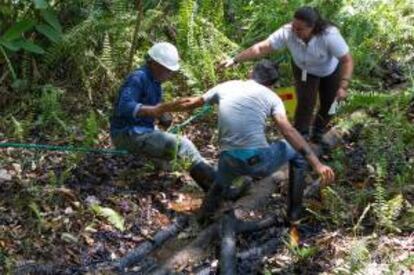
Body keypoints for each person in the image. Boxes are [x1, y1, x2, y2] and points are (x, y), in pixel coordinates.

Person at [150, 60, 335, 224]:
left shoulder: (227, 86)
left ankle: (202, 219)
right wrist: (317, 164)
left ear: (250, 74)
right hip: (257, 162)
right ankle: (294, 214)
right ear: (273, 84)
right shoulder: (272, 97)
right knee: (296, 153)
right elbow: (287, 130)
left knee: (220, 184)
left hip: (228, 160)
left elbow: (191, 102)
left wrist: (162, 108)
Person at [221, 6, 354, 143]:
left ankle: (319, 130)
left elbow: (347, 60)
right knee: (305, 102)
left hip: (330, 70)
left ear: (312, 27)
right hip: (304, 70)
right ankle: (300, 136)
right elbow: (261, 48)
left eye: (300, 29)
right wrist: (235, 59)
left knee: (331, 102)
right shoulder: (287, 31)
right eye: (294, 27)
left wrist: (343, 86)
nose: (295, 31)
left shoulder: (329, 36)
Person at [110, 42, 215, 192]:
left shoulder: (155, 83)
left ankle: (213, 183)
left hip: (143, 131)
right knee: (183, 146)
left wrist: (163, 115)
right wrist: (157, 110)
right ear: (154, 63)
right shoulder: (138, 78)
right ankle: (217, 188)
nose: (169, 74)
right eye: (167, 70)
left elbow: (155, 108)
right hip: (127, 134)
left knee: (176, 162)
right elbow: (125, 106)